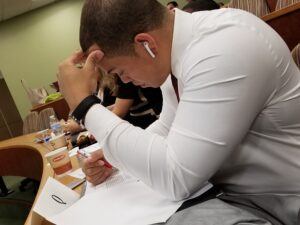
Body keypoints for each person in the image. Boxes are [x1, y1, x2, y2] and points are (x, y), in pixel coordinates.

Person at [57, 0, 300, 224]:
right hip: (240, 195)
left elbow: (176, 178)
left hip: (284, 202)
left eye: (120, 71)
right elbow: (168, 128)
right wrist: (113, 156)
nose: (125, 80)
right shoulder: (175, 54)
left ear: (146, 44)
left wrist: (86, 106)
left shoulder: (222, 46)